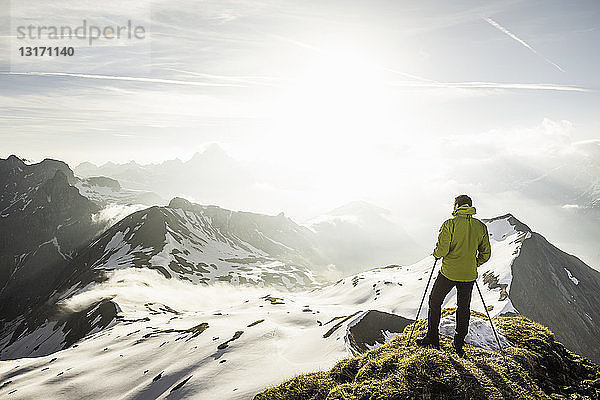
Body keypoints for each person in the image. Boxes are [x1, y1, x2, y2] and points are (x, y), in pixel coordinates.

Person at [416, 194, 491, 356]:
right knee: (463, 308)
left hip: (448, 272)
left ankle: (432, 338)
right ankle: (458, 344)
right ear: (469, 207)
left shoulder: (450, 224)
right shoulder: (481, 227)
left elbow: (442, 250)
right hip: (469, 275)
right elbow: (486, 254)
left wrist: (436, 254)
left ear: (457, 206)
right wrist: (473, 263)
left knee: (435, 302)